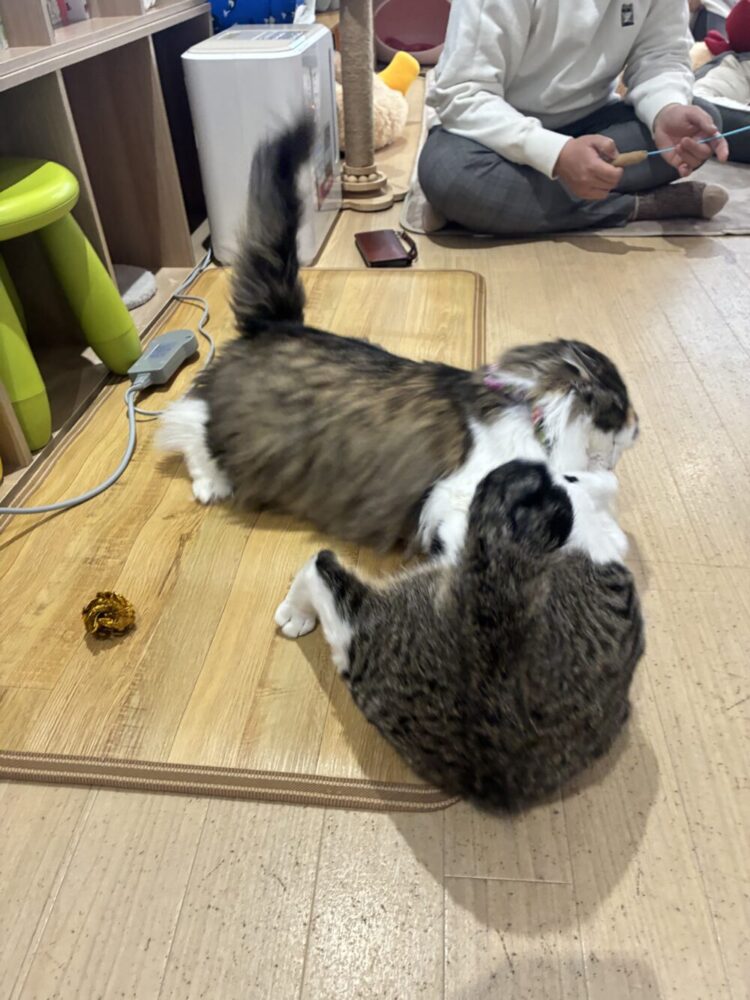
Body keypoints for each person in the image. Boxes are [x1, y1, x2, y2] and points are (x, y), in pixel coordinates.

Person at [418, 0, 731, 236]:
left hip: (593, 123)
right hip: (494, 133)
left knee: (697, 127)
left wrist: (666, 108)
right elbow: (462, 91)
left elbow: (661, 56)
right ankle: (638, 206)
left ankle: (496, 207)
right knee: (450, 173)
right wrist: (556, 154)